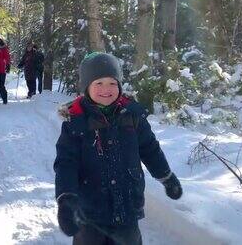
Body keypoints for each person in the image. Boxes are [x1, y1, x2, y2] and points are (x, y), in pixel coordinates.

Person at [54, 52, 182, 245]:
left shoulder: (132, 115)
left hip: (127, 207)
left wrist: (166, 176)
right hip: (89, 212)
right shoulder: (76, 121)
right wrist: (66, 199)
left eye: (112, 83)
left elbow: (150, 149)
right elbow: (66, 163)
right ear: (86, 87)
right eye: (98, 83)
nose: (106, 89)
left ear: (120, 85)